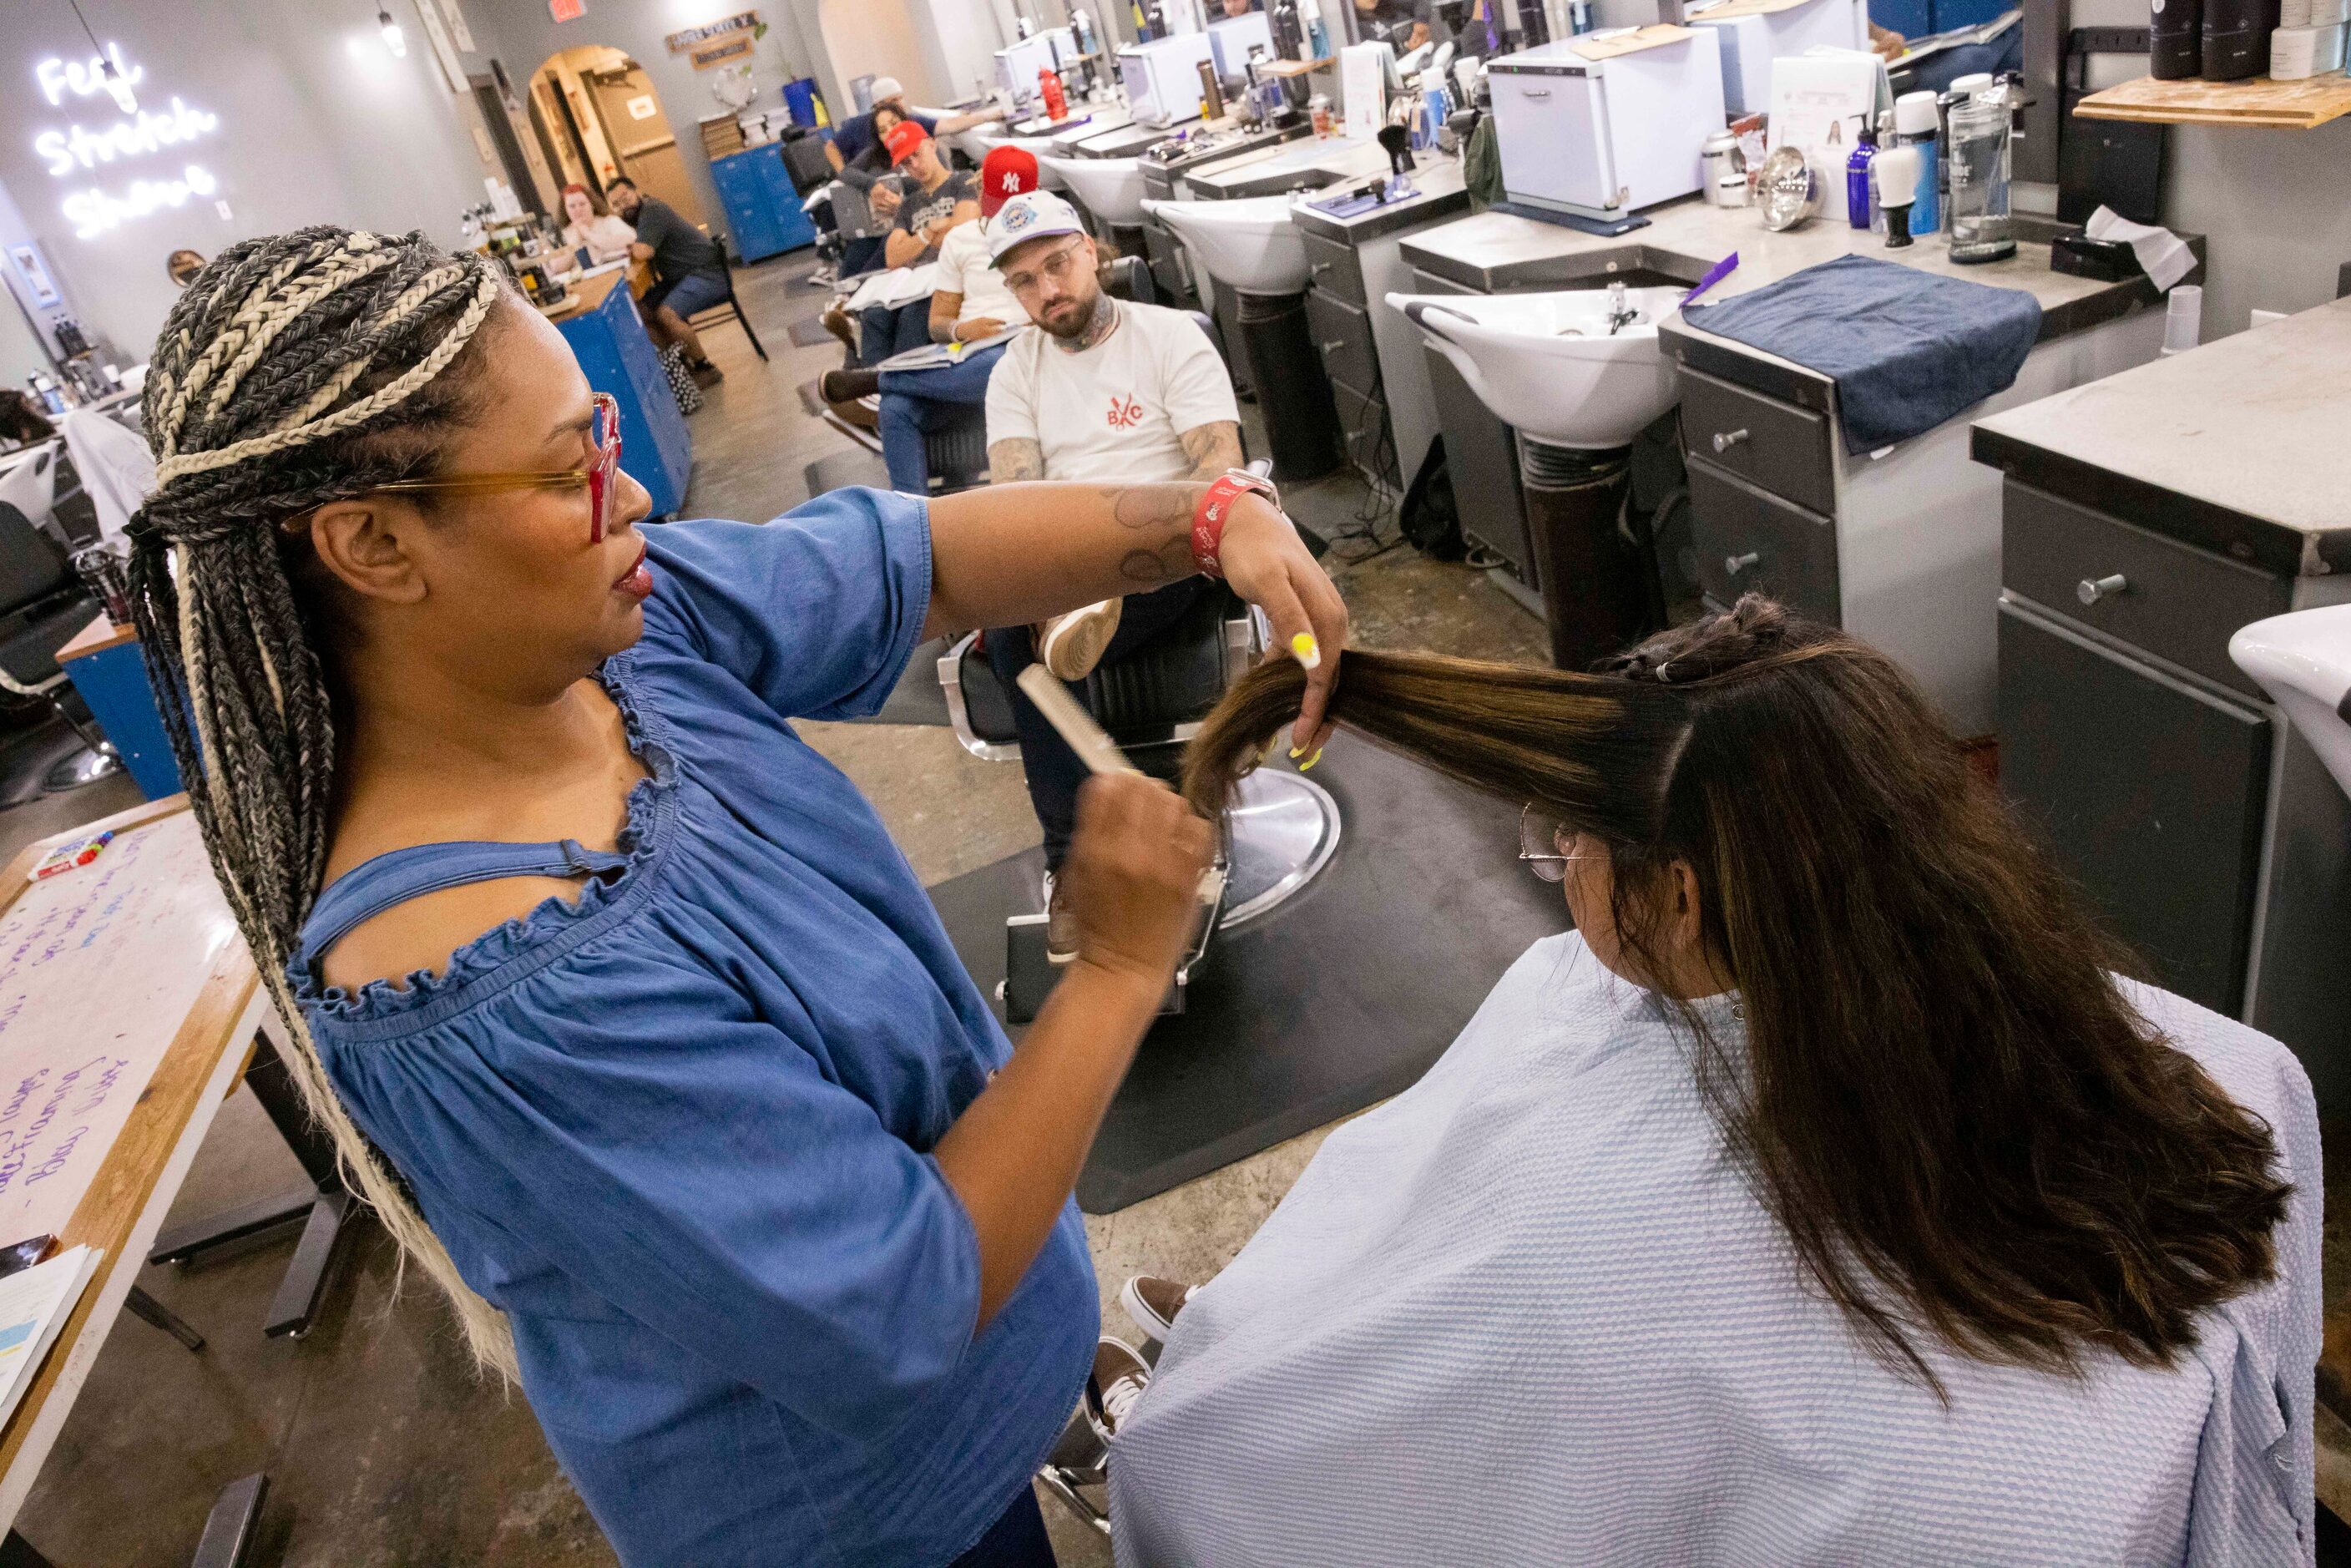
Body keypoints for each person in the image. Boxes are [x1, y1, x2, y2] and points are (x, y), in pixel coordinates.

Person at [122, 226, 1346, 1568]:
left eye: (602, 428)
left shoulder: (616, 643)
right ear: (370, 543)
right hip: (870, 1523)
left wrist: (1206, 517)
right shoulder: (501, 985)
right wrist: (1115, 970)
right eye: (566, 465)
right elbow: (907, 1298)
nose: (632, 488)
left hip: (983, 1397)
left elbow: (921, 560)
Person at [1103, 599, 2318, 1567]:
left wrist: (1212, 1406)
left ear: (1680, 897)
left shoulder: (1577, 1235)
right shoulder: (2237, 1069)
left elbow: (1419, 1381)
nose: (1559, 870)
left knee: (1203, 1431)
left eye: (1569, 843)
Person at [981, 191, 1251, 961]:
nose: (1048, 292)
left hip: (1172, 541)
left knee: (1029, 633)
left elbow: (1217, 475)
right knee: (1011, 614)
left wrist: (1148, 543)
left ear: (1091, 251)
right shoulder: (1015, 373)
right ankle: (1073, 863)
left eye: (1057, 265)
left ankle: (1081, 858)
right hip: (1067, 554)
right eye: (1026, 282)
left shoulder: (1168, 339)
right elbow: (1015, 499)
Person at [819, 144, 1042, 493]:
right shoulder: (961, 239)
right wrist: (960, 328)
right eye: (997, 203)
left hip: (1022, 352)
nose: (1003, 217)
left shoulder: (1044, 228)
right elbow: (938, 324)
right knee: (897, 409)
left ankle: (878, 382)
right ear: (980, 188)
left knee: (1004, 362)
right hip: (965, 354)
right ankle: (914, 520)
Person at [606, 176, 728, 386]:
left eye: (624, 197)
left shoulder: (652, 211)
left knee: (666, 313)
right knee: (641, 311)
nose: (623, 205)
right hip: (682, 277)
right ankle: (682, 365)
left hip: (706, 274)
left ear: (636, 190)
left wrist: (631, 244)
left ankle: (704, 367)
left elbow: (643, 252)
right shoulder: (639, 218)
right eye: (616, 204)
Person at [824, 74, 1003, 181]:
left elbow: (949, 124)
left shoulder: (911, 123)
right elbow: (832, 148)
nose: (889, 133)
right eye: (882, 130)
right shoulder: (858, 130)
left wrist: (992, 115)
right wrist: (847, 176)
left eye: (900, 98)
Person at [558, 183, 636, 267]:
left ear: (592, 205)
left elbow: (629, 241)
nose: (578, 209)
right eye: (572, 206)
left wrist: (588, 234)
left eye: (582, 204)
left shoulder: (609, 221)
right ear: (566, 210)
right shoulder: (564, 234)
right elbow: (557, 267)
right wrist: (575, 241)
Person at [1352, 0, 1449, 53]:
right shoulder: (1353, 29)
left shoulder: (1389, 4)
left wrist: (1421, 22)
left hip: (1427, 52)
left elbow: (1421, 3)